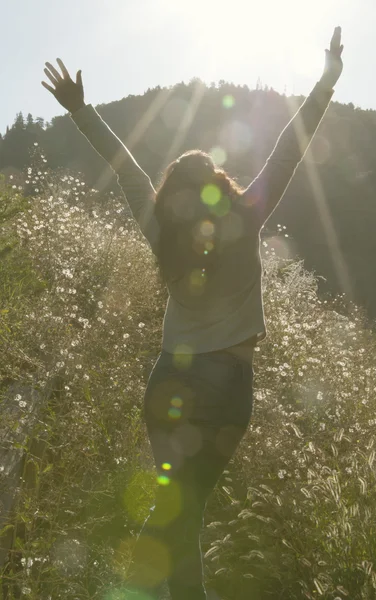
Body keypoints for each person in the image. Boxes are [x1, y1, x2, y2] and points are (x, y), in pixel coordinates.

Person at [42, 26, 344, 600]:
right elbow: (289, 147)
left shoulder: (162, 234)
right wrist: (328, 77)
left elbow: (128, 168)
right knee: (184, 512)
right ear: (221, 185)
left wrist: (81, 110)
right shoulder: (247, 217)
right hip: (228, 384)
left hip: (171, 381)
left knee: (180, 512)